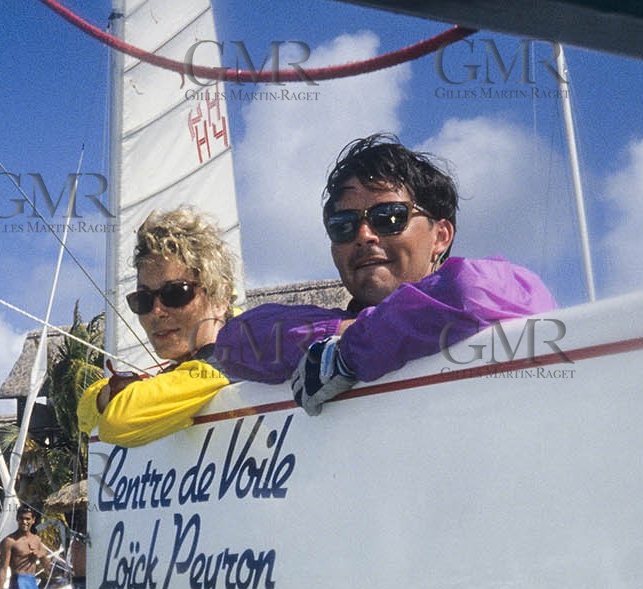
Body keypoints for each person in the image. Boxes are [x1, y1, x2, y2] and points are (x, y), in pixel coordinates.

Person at [208, 133, 558, 414]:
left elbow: (476, 293)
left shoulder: (494, 288)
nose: (364, 236)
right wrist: (345, 334)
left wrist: (353, 351)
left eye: (389, 217)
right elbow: (235, 341)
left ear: (441, 236)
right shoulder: (337, 329)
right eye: (343, 226)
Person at [77, 207, 237, 447]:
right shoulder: (186, 371)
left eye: (175, 293)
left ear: (220, 296)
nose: (156, 312)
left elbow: (118, 423)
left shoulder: (231, 359)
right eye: (143, 299)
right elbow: (83, 412)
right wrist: (105, 395)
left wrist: (112, 400)